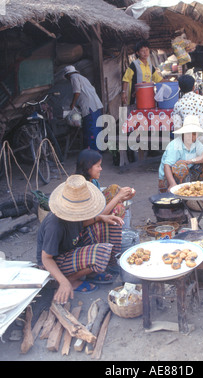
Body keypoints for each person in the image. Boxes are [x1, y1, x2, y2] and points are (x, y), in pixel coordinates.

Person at [37, 175, 125, 304]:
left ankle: (91, 274)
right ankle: (70, 280)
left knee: (109, 224)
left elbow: (81, 223)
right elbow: (46, 258)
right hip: (55, 261)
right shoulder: (55, 225)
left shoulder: (74, 215)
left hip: (71, 246)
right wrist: (63, 282)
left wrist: (101, 218)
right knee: (102, 252)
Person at [158, 115, 203, 193]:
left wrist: (192, 161)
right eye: (188, 133)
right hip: (169, 178)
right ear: (183, 133)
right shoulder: (175, 145)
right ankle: (181, 194)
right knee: (181, 166)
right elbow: (167, 165)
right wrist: (172, 183)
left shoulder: (196, 143)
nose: (190, 136)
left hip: (188, 172)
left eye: (194, 134)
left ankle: (202, 192)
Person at [75, 148, 135, 219]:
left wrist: (124, 197)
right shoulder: (81, 188)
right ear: (88, 167)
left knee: (114, 188)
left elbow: (102, 206)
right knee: (118, 208)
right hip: (88, 222)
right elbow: (99, 214)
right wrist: (118, 196)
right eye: (98, 166)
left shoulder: (94, 182)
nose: (101, 169)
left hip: (98, 214)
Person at [64, 65, 103, 151]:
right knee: (97, 129)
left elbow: (77, 92)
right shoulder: (82, 77)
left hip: (90, 107)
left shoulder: (73, 77)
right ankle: (98, 150)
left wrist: (72, 104)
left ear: (67, 75)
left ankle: (92, 151)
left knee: (91, 130)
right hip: (96, 105)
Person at [121, 40, 164, 106]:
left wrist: (173, 82)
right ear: (137, 53)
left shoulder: (150, 66)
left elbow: (159, 79)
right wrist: (124, 93)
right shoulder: (134, 65)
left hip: (148, 97)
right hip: (135, 97)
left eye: (147, 50)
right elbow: (126, 79)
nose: (145, 52)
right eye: (142, 51)